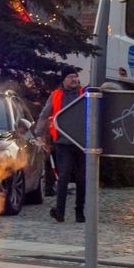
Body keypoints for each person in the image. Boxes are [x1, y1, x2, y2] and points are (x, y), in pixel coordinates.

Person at [34, 70, 86, 223]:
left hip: (81, 143)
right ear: (63, 80)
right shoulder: (56, 95)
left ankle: (79, 212)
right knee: (63, 177)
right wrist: (39, 133)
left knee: (82, 178)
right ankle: (60, 212)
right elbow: (44, 115)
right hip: (63, 143)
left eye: (76, 76)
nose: (74, 79)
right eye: (71, 76)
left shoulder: (84, 94)